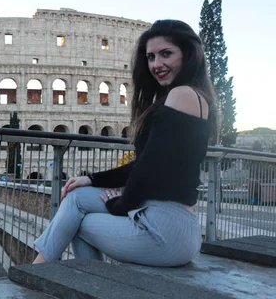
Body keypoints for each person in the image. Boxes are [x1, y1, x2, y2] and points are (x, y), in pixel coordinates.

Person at [33, 19, 217, 267]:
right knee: (76, 196)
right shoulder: (184, 96)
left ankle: (39, 273)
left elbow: (149, 168)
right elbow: (149, 161)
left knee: (76, 223)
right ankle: (44, 270)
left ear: (189, 54)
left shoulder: (182, 95)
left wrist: (119, 203)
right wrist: (93, 179)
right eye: (151, 57)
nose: (156, 64)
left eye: (166, 54)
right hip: (165, 222)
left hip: (165, 230)